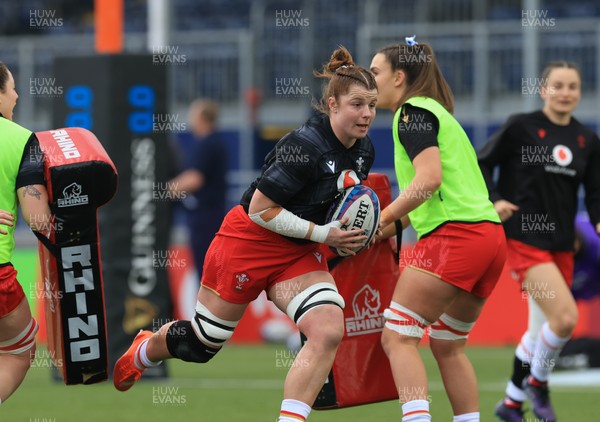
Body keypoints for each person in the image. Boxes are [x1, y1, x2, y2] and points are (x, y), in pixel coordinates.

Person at [114, 46, 378, 422]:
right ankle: (146, 347)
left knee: (328, 329)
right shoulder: (303, 146)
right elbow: (260, 208)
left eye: (372, 104)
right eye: (357, 104)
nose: (367, 114)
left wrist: (352, 232)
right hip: (249, 241)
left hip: (299, 253)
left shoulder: (364, 148)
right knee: (202, 345)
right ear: (332, 104)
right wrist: (323, 233)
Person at [369, 37, 506, 422]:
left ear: (399, 77)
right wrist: (395, 223)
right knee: (448, 345)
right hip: (490, 239)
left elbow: (427, 180)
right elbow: (436, 191)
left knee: (397, 337)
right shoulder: (440, 113)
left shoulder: (410, 113)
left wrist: (382, 217)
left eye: (375, 72)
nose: (369, 79)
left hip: (455, 239)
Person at [478, 61, 600, 422]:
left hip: (562, 245)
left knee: (537, 333)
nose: (565, 93)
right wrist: (495, 198)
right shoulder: (521, 127)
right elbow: (481, 163)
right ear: (543, 89)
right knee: (564, 320)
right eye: (558, 85)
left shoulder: (587, 140)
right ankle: (539, 386)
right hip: (524, 239)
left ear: (579, 92)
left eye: (573, 87)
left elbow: (595, 193)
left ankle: (511, 404)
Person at [0, 61, 52, 404]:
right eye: (12, 87)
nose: (17, 95)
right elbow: (39, 221)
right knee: (19, 350)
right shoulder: (21, 140)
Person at [169, 99, 228, 280]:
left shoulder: (207, 144)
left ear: (202, 118)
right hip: (211, 213)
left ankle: (206, 307)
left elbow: (194, 179)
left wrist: (162, 190)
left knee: (205, 269)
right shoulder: (215, 142)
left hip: (205, 216)